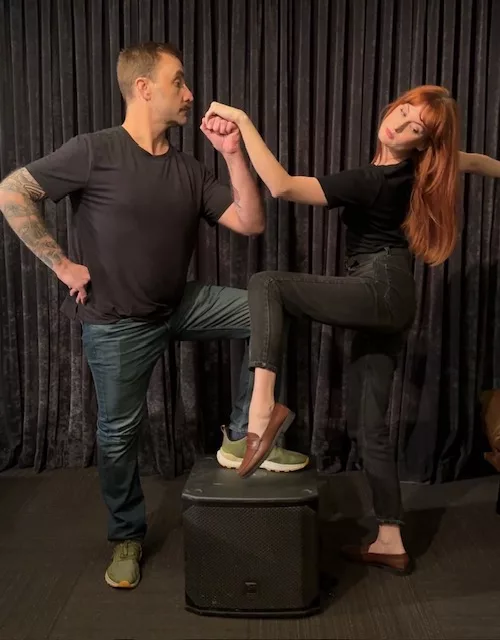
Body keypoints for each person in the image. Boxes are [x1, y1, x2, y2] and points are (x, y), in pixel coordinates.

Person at [0, 41, 308, 590]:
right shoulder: (93, 151)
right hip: (117, 323)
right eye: (178, 82)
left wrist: (233, 153)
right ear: (143, 88)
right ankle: (126, 535)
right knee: (118, 436)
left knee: (267, 305)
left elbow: (250, 222)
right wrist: (62, 264)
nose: (189, 94)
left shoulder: (189, 168)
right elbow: (12, 191)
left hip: (178, 304)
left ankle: (242, 434)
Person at [203, 85, 500, 574]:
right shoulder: (423, 166)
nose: (400, 124)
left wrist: (243, 120)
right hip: (392, 297)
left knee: (266, 283)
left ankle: (260, 413)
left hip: (379, 287)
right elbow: (474, 161)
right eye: (405, 111)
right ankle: (390, 540)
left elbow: (281, 186)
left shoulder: (374, 179)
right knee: (369, 425)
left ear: (423, 143)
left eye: (416, 127)